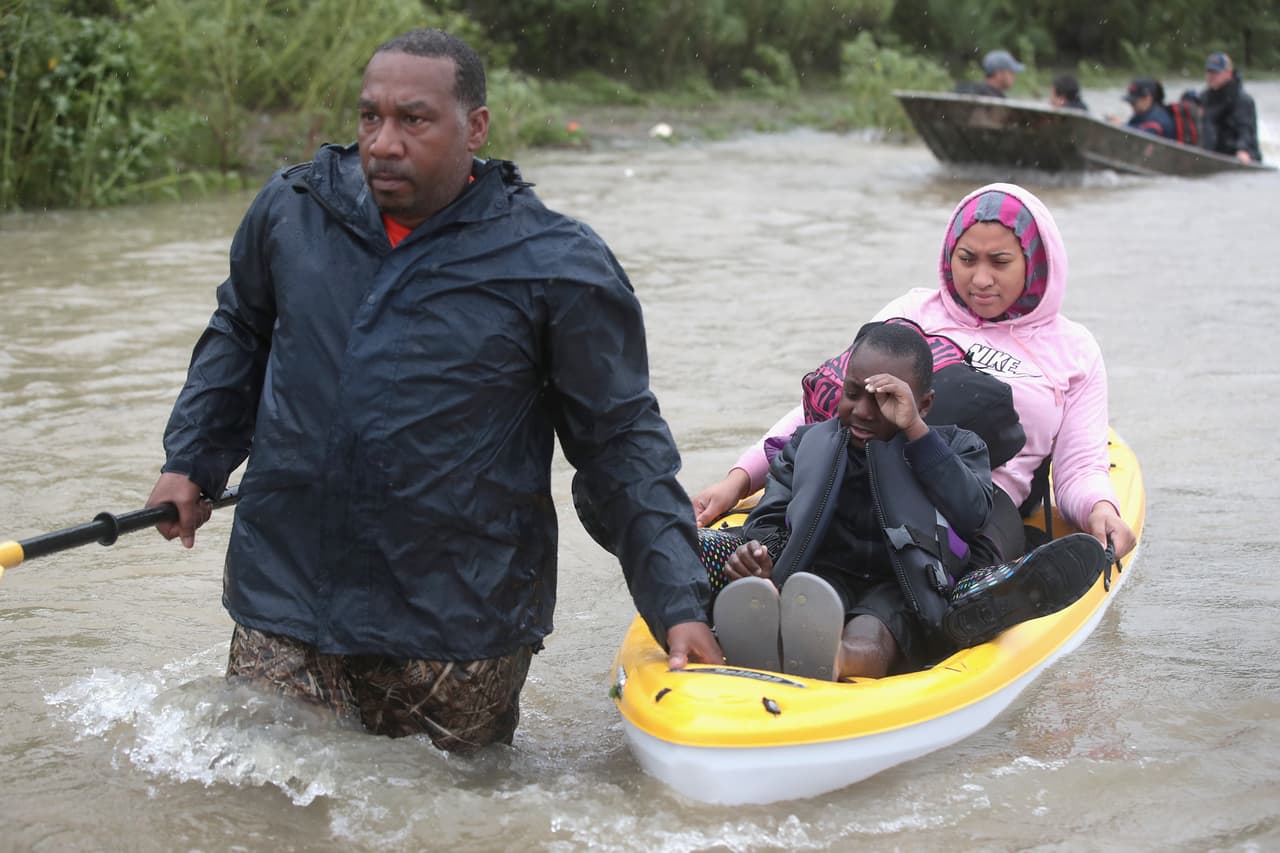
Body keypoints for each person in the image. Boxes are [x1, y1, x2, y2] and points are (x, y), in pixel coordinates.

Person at [145, 28, 721, 753]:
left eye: (412, 119)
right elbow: (239, 334)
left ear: (474, 127)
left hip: (459, 625)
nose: (383, 142)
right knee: (263, 802)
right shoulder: (293, 212)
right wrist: (192, 459)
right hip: (287, 595)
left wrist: (676, 602)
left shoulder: (555, 264)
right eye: (368, 117)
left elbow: (619, 446)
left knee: (445, 815)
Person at [692, 183, 1137, 566]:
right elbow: (833, 404)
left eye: (999, 262)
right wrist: (738, 480)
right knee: (791, 527)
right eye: (967, 258)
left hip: (981, 498)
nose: (980, 279)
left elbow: (1079, 467)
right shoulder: (910, 314)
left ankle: (958, 604)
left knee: (975, 549)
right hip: (866, 472)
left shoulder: (1074, 351)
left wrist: (1101, 509)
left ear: (1036, 263)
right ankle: (735, 567)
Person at [708, 322, 1106, 680]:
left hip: (902, 585)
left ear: (923, 404)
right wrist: (762, 556)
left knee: (873, 631)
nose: (863, 411)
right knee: (806, 593)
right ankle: (770, 626)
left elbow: (972, 513)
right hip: (821, 575)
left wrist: (917, 434)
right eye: (852, 394)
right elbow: (771, 515)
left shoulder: (956, 447)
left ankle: (834, 657)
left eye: (884, 399)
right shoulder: (808, 444)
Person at [1201, 51, 1262, 163]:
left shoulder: (1243, 100)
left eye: (1215, 72)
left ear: (1228, 73)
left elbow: (1245, 129)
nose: (1211, 76)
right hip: (1212, 155)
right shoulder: (1204, 97)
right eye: (1209, 72)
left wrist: (1243, 150)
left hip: (1240, 157)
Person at [954, 49, 1025, 98]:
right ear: (999, 74)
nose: (1014, 76)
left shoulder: (967, 90)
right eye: (1011, 72)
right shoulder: (997, 101)